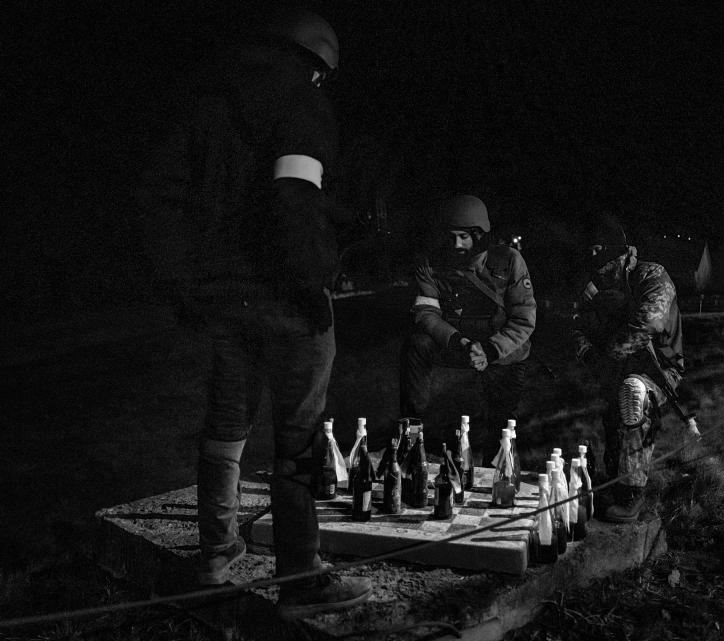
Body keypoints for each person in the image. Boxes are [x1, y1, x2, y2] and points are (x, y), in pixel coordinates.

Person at [134, 8, 371, 619]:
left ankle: (214, 556)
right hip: (285, 303)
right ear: (317, 67)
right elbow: (293, 195)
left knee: (226, 426)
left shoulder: (208, 105)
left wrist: (185, 285)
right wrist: (313, 284)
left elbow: (159, 196)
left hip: (223, 302)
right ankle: (301, 580)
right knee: (296, 445)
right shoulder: (302, 105)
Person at [571, 215, 699, 523]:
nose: (596, 263)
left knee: (633, 394)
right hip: (613, 366)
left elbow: (647, 325)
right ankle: (610, 483)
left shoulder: (653, 277)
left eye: (601, 253)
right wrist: (589, 353)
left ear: (619, 252)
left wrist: (607, 353)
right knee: (609, 421)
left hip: (658, 369)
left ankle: (632, 493)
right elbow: (575, 324)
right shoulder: (595, 286)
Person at [399, 195, 536, 458]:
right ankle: (410, 432)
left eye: (463, 236)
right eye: (451, 236)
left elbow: (523, 319)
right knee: (416, 344)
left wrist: (491, 349)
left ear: (480, 235)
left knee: (501, 428)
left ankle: (498, 464)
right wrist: (457, 340)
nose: (456, 244)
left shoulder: (508, 260)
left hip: (502, 351)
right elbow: (426, 313)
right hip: (459, 344)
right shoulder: (431, 263)